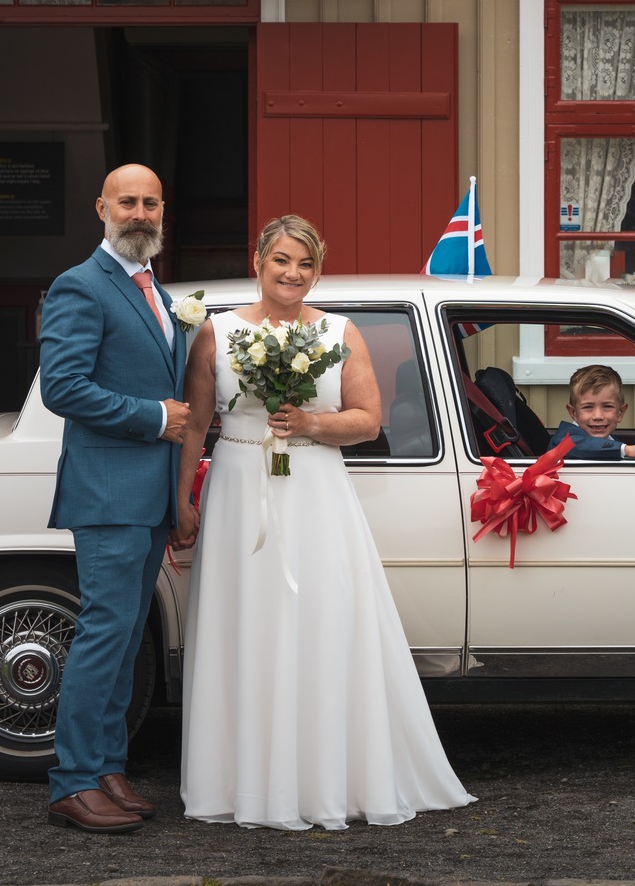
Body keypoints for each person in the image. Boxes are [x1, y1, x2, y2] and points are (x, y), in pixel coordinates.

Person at [173, 215, 473, 830]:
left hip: (315, 490)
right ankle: (240, 781)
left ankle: (324, 779)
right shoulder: (215, 332)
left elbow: (367, 420)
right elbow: (197, 424)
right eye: (282, 260)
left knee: (322, 619)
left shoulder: (339, 332)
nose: (293, 273)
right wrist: (182, 499)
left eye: (306, 264)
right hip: (237, 488)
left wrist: (309, 422)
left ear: (318, 271)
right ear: (259, 261)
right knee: (244, 621)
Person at [38, 164, 191, 835]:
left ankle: (106, 768)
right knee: (104, 635)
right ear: (101, 208)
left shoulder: (158, 290)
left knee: (127, 638)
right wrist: (155, 417)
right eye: (127, 201)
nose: (139, 212)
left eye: (150, 202)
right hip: (107, 493)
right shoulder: (81, 284)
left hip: (148, 496)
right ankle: (72, 781)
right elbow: (63, 387)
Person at [550, 364, 635, 461]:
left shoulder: (612, 441)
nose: (598, 416)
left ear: (620, 413)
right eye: (588, 407)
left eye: (607, 406)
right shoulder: (562, 440)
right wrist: (627, 450)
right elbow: (579, 446)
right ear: (573, 413)